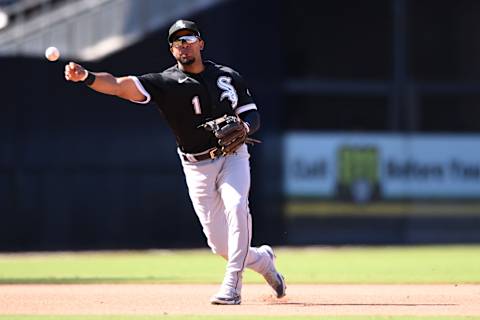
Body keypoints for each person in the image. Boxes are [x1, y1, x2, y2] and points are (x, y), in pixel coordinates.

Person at [64, 19, 286, 305]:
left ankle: (232, 286)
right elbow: (119, 85)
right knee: (221, 245)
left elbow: (252, 116)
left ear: (201, 43)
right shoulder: (164, 83)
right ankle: (264, 260)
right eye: (178, 41)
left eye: (189, 38)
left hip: (233, 156)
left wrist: (243, 129)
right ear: (172, 50)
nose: (184, 44)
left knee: (236, 204)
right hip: (197, 166)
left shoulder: (228, 76)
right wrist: (87, 76)